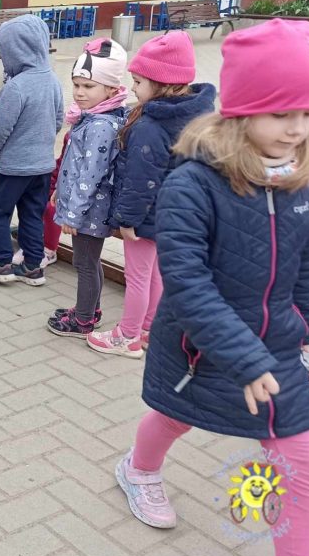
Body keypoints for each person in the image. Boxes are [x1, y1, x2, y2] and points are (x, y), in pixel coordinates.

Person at [114, 19, 309, 556]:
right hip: (200, 346)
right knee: (175, 416)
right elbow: (185, 282)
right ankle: (138, 469)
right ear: (244, 108)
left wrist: (308, 326)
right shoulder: (194, 182)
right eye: (282, 113)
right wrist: (243, 357)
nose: (298, 128)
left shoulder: (304, 179)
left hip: (275, 348)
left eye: (307, 113)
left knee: (298, 463)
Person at [87, 31, 216, 358]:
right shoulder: (197, 114)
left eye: (138, 82)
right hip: (176, 216)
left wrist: (127, 220)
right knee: (156, 273)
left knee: (138, 278)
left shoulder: (150, 126)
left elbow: (141, 180)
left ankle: (127, 337)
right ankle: (148, 329)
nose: (133, 88)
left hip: (146, 217)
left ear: (164, 84)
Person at [48, 38, 128, 337]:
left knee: (84, 262)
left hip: (88, 212)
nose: (79, 93)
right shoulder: (95, 117)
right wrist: (60, 190)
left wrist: (71, 214)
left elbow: (90, 176)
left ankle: (82, 320)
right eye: (76, 84)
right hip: (84, 208)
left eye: (88, 87)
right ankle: (89, 310)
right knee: (89, 261)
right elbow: (74, 164)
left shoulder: (99, 126)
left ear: (110, 89)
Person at [0, 15, 63, 285]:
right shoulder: (52, 79)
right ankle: (33, 266)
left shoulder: (15, 87)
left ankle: (2, 263)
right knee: (31, 214)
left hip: (14, 167)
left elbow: (0, 130)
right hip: (42, 165)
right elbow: (59, 119)